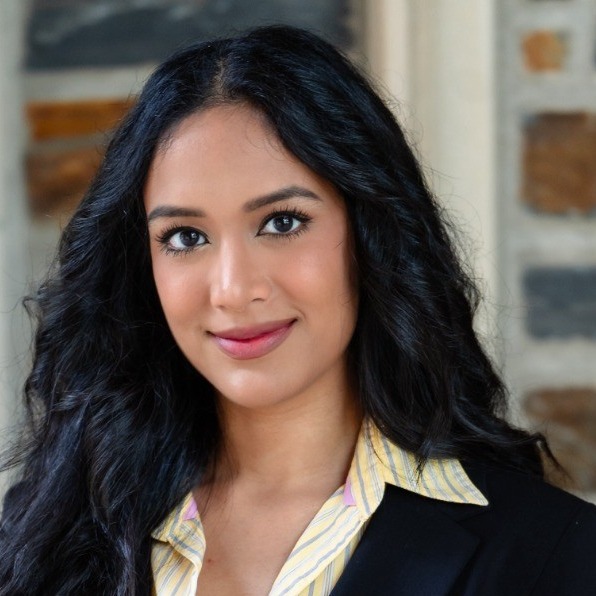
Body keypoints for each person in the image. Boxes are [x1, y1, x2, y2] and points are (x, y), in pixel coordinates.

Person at [1, 24, 595, 596]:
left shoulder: (553, 552)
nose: (233, 289)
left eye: (282, 223)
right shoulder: (42, 540)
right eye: (185, 237)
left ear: (371, 233)